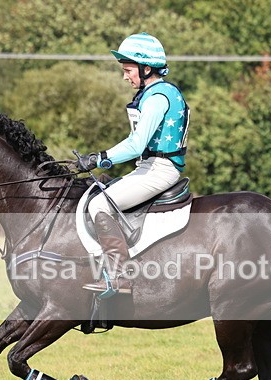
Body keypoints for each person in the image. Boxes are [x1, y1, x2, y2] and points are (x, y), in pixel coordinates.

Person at [75, 32, 189, 299]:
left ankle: (118, 277)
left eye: (128, 70)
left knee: (98, 204)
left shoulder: (158, 96)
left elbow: (137, 144)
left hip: (159, 169)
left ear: (146, 68)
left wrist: (100, 157)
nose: (125, 76)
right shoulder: (153, 93)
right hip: (149, 167)